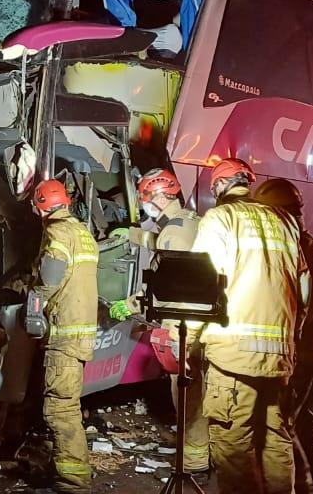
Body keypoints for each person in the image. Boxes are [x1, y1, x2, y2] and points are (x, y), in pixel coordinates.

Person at [191, 158, 307, 494]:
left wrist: (183, 341)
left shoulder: (220, 218)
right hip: (280, 358)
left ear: (218, 187)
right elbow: (304, 289)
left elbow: (202, 287)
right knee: (276, 440)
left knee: (233, 445)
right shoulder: (285, 221)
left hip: (233, 357)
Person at [256, 178, 313, 494]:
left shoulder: (299, 248)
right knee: (306, 426)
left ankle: (305, 487)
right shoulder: (306, 242)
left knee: (283, 430)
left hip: (299, 357)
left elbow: (301, 309)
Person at [136, 168, 210, 474]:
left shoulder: (174, 232)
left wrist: (133, 303)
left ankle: (192, 463)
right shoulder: (188, 221)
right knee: (195, 390)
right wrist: (134, 235)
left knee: (187, 395)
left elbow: (171, 282)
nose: (145, 207)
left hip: (182, 322)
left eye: (145, 199)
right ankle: (198, 455)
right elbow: (162, 242)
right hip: (196, 319)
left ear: (158, 197)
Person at [31, 178, 99, 493]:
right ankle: (71, 474)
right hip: (82, 332)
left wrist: (32, 305)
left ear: (40, 206)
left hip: (65, 333)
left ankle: (73, 482)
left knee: (60, 408)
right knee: (68, 404)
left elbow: (49, 278)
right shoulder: (82, 233)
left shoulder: (57, 233)